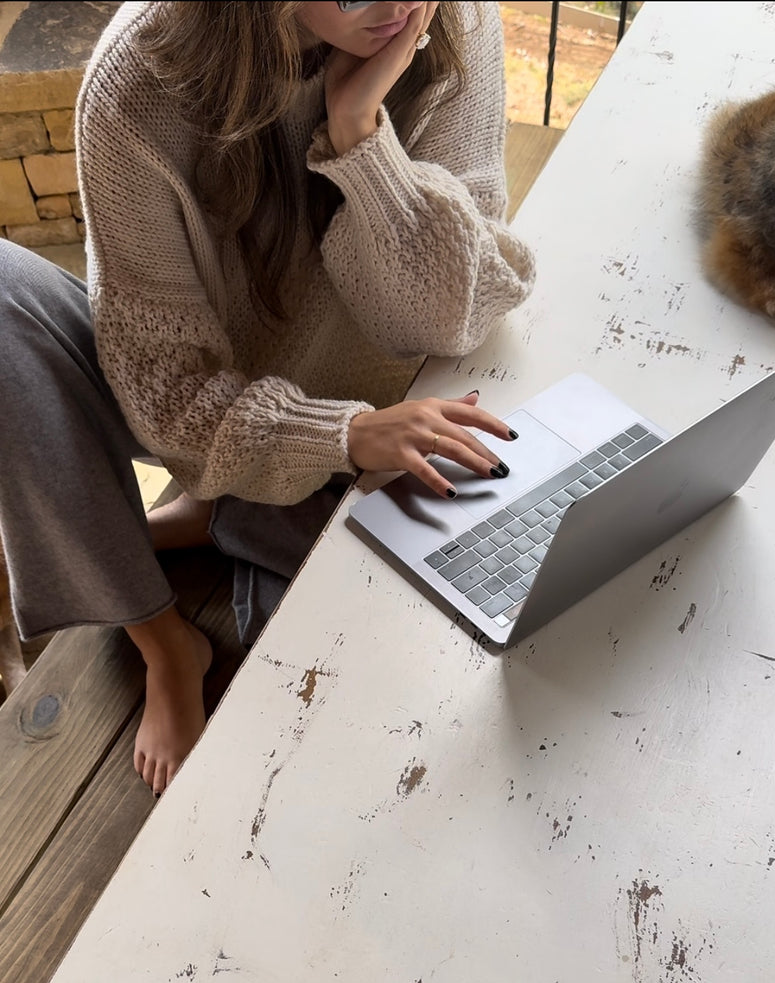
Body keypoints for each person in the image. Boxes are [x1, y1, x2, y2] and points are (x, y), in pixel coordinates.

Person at [0, 0, 535, 796]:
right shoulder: (140, 82)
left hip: (392, 409)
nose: (391, 6)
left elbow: (443, 318)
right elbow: (167, 388)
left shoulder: (450, 21)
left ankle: (222, 516)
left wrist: (359, 135)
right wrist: (340, 434)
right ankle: (161, 639)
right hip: (223, 409)